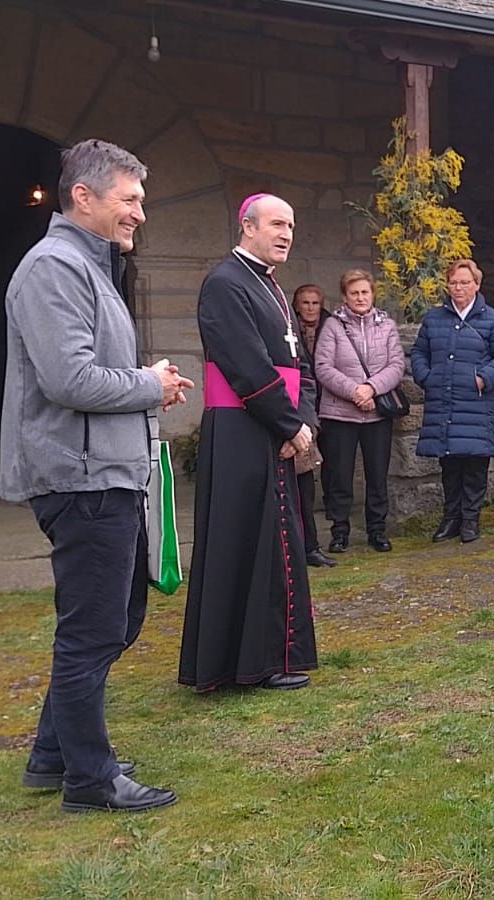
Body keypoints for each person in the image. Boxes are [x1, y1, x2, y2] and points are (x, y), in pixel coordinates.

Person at [2, 138, 190, 812]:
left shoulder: (87, 265)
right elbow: (69, 378)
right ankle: (89, 778)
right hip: (80, 479)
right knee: (91, 631)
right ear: (84, 197)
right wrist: (148, 383)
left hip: (105, 473)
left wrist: (149, 387)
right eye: (130, 199)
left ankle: (54, 755)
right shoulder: (53, 268)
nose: (140, 212)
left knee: (114, 619)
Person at [178, 193, 320, 692]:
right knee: (244, 545)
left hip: (271, 428)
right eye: (278, 224)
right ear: (247, 227)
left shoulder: (271, 287)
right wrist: (289, 425)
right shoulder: (225, 283)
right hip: (243, 431)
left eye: (292, 226)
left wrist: (303, 423)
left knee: (274, 545)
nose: (286, 234)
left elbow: (299, 364)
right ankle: (240, 664)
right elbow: (246, 366)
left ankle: (265, 657)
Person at [411, 258, 494, 543]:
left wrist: (483, 378)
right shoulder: (434, 318)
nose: (458, 288)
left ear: (476, 285)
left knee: (474, 466)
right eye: (454, 282)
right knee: (450, 465)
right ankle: (450, 519)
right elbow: (419, 352)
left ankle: (471, 520)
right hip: (443, 403)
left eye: (464, 283)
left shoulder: (493, 319)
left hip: (476, 404)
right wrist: (426, 376)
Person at [314, 268, 404, 554]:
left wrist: (370, 389)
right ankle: (339, 531)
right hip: (340, 413)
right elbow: (323, 367)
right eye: (354, 293)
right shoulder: (333, 326)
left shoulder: (386, 326)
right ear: (344, 296)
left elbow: (396, 366)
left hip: (377, 413)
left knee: (377, 474)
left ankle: (377, 530)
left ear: (372, 294)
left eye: (365, 292)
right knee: (340, 475)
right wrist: (354, 392)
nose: (360, 297)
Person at [291, 284, 335, 568]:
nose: (309, 308)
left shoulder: (331, 328)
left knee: (306, 485)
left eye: (315, 303)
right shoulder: (286, 329)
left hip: (311, 407)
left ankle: (311, 546)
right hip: (287, 408)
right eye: (304, 303)